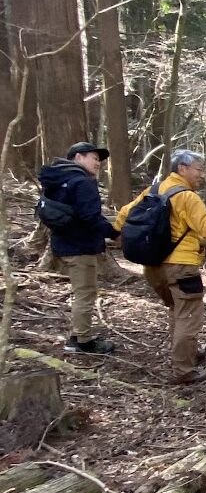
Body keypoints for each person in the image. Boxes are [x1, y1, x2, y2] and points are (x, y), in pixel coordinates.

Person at [115, 149, 206, 385]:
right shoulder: (187, 197)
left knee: (177, 310)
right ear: (182, 169)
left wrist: (120, 235)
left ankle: (189, 353)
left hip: (153, 266)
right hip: (181, 267)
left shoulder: (153, 190)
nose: (202, 175)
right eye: (199, 169)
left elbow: (124, 214)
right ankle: (184, 370)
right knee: (188, 316)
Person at [39, 142, 120, 354]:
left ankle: (77, 334)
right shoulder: (82, 183)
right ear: (78, 157)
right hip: (80, 247)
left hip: (63, 244)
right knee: (86, 293)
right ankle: (83, 341)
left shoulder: (57, 179)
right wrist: (114, 233)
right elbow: (90, 217)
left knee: (81, 292)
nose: (98, 163)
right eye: (93, 158)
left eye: (99, 160)